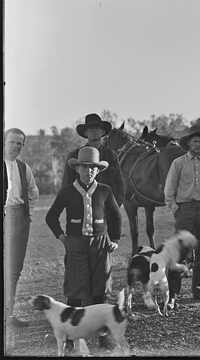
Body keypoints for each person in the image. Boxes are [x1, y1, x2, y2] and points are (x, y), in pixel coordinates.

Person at [45, 147, 122, 350]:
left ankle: (103, 335)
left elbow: (115, 216)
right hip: (76, 244)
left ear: (98, 171)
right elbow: (51, 216)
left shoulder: (105, 190)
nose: (89, 171)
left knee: (101, 290)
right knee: (75, 292)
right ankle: (70, 337)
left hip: (100, 244)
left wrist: (114, 238)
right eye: (84, 167)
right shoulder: (67, 191)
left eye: (93, 168)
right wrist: (63, 238)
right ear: (77, 169)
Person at [163, 125, 200, 306]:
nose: (197, 145)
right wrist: (175, 208)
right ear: (188, 143)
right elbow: (169, 189)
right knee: (180, 251)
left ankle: (198, 290)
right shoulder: (178, 163)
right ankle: (173, 294)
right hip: (185, 209)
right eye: (194, 141)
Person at [4, 128, 40, 328]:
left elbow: (34, 192)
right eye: (13, 142)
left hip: (19, 217)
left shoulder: (23, 168)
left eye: (20, 143)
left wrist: (29, 215)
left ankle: (8, 315)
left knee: (14, 269)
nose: (16, 146)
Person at [62, 113, 125, 208]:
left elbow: (120, 185)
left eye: (98, 128)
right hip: (82, 210)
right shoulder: (75, 156)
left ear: (103, 131)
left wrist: (115, 207)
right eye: (91, 128)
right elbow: (66, 187)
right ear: (85, 133)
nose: (94, 131)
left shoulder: (111, 156)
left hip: (108, 210)